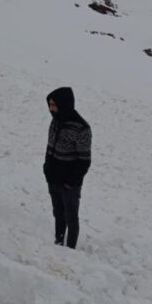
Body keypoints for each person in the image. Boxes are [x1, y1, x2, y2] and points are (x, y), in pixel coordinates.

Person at [43, 87, 92, 249]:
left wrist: (71, 182)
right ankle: (58, 243)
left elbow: (84, 160)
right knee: (58, 214)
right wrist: (47, 169)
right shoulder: (55, 121)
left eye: (54, 105)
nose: (51, 109)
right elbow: (50, 147)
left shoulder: (81, 128)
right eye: (50, 105)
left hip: (69, 184)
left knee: (71, 217)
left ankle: (70, 250)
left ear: (64, 104)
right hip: (53, 179)